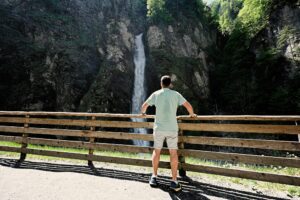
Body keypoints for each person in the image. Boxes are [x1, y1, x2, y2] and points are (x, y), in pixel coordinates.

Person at [141, 75, 196, 192]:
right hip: (172, 128)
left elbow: (143, 106)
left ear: (161, 84)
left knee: (157, 152)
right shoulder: (176, 94)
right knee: (173, 153)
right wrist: (192, 114)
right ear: (170, 84)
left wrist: (143, 113)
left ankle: (154, 177)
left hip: (159, 128)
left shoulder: (156, 94)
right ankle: (174, 181)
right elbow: (188, 106)